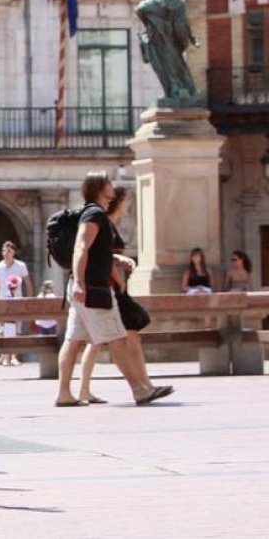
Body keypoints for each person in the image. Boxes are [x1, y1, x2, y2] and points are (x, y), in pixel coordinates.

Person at [54, 171, 173, 408]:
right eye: (109, 183)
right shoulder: (95, 213)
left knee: (74, 339)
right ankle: (139, 390)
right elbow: (81, 247)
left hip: (84, 287)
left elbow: (96, 251)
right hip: (93, 288)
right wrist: (80, 281)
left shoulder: (93, 214)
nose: (114, 187)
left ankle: (64, 393)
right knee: (118, 339)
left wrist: (116, 260)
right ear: (100, 188)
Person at [76, 186, 163, 405]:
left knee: (114, 338)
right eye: (125, 201)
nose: (128, 205)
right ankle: (140, 387)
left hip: (109, 287)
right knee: (106, 340)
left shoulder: (108, 224)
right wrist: (119, 276)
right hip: (109, 288)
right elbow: (102, 255)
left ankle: (144, 385)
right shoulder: (104, 223)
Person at [135, 0, 201, 100]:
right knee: (174, 64)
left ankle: (175, 89)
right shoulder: (177, 2)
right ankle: (175, 89)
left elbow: (139, 9)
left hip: (159, 37)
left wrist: (152, 21)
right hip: (170, 37)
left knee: (163, 65)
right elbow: (184, 23)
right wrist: (191, 38)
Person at [0, 241, 32, 366]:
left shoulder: (20, 266)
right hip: (2, 300)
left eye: (9, 251)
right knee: (2, 329)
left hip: (17, 300)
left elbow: (27, 282)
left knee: (16, 329)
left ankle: (14, 356)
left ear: (14, 252)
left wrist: (29, 299)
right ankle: (4, 356)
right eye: (4, 251)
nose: (6, 253)